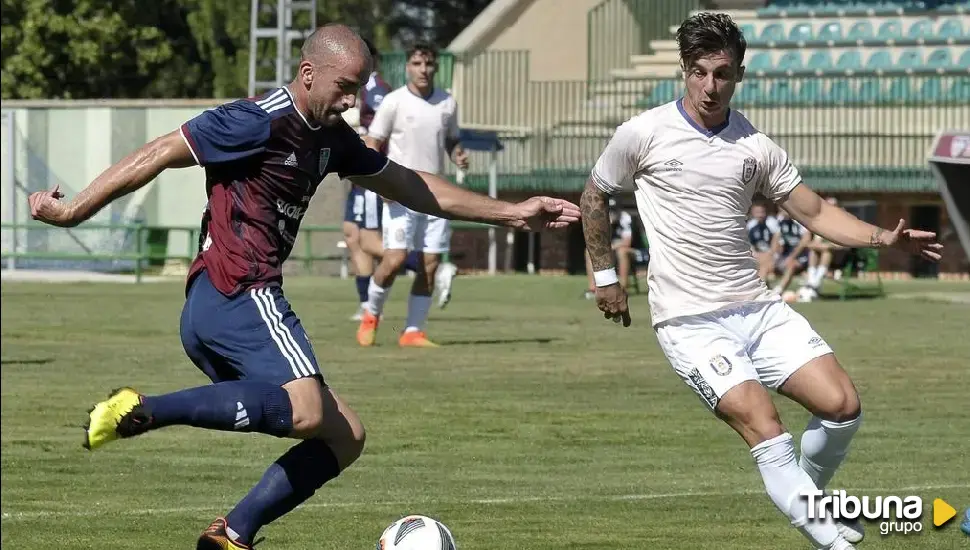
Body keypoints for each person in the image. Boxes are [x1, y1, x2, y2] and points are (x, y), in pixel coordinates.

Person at [27, 24, 580, 550]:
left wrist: (509, 213)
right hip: (239, 291)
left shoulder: (332, 138)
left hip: (220, 306)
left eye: (360, 89)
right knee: (310, 410)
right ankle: (143, 409)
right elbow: (157, 152)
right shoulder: (256, 121)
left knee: (345, 436)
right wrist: (75, 209)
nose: (351, 101)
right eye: (344, 87)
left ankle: (231, 534)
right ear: (309, 72)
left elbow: (409, 183)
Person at [581, 13, 941, 550]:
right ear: (684, 70)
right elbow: (594, 195)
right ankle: (831, 540)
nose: (710, 86)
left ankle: (804, 499)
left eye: (722, 74)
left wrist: (881, 239)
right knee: (764, 424)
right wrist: (605, 277)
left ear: (739, 74)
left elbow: (814, 211)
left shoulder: (755, 144)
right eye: (699, 72)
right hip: (689, 321)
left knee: (843, 407)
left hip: (757, 307)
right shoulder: (642, 132)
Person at [356, 43, 469, 348]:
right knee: (395, 259)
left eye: (428, 64)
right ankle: (371, 316)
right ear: (408, 66)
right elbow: (372, 142)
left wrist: (457, 153)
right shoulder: (394, 102)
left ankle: (413, 331)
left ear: (434, 68)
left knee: (430, 264)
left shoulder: (447, 103)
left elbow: (451, 139)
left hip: (436, 195)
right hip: (401, 192)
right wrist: (381, 183)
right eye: (417, 63)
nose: (423, 69)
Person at [343, 38, 391, 321]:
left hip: (370, 171)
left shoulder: (376, 89)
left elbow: (381, 132)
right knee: (352, 235)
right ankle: (366, 305)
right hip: (356, 172)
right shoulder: (362, 88)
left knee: (368, 239)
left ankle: (421, 263)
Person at [584, 198, 637, 299]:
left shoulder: (625, 218)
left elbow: (627, 242)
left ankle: (622, 288)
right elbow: (596, 240)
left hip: (630, 250)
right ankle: (592, 289)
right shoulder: (601, 217)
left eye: (614, 209)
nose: (611, 212)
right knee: (588, 251)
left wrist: (610, 247)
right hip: (610, 249)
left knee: (622, 252)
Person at [747, 202, 779, 282]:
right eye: (757, 212)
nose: (760, 215)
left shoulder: (772, 222)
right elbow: (749, 243)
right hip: (758, 253)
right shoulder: (750, 225)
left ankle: (762, 279)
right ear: (753, 213)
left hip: (771, 253)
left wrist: (770, 253)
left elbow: (777, 241)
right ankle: (765, 277)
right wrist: (754, 253)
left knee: (764, 260)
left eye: (762, 212)